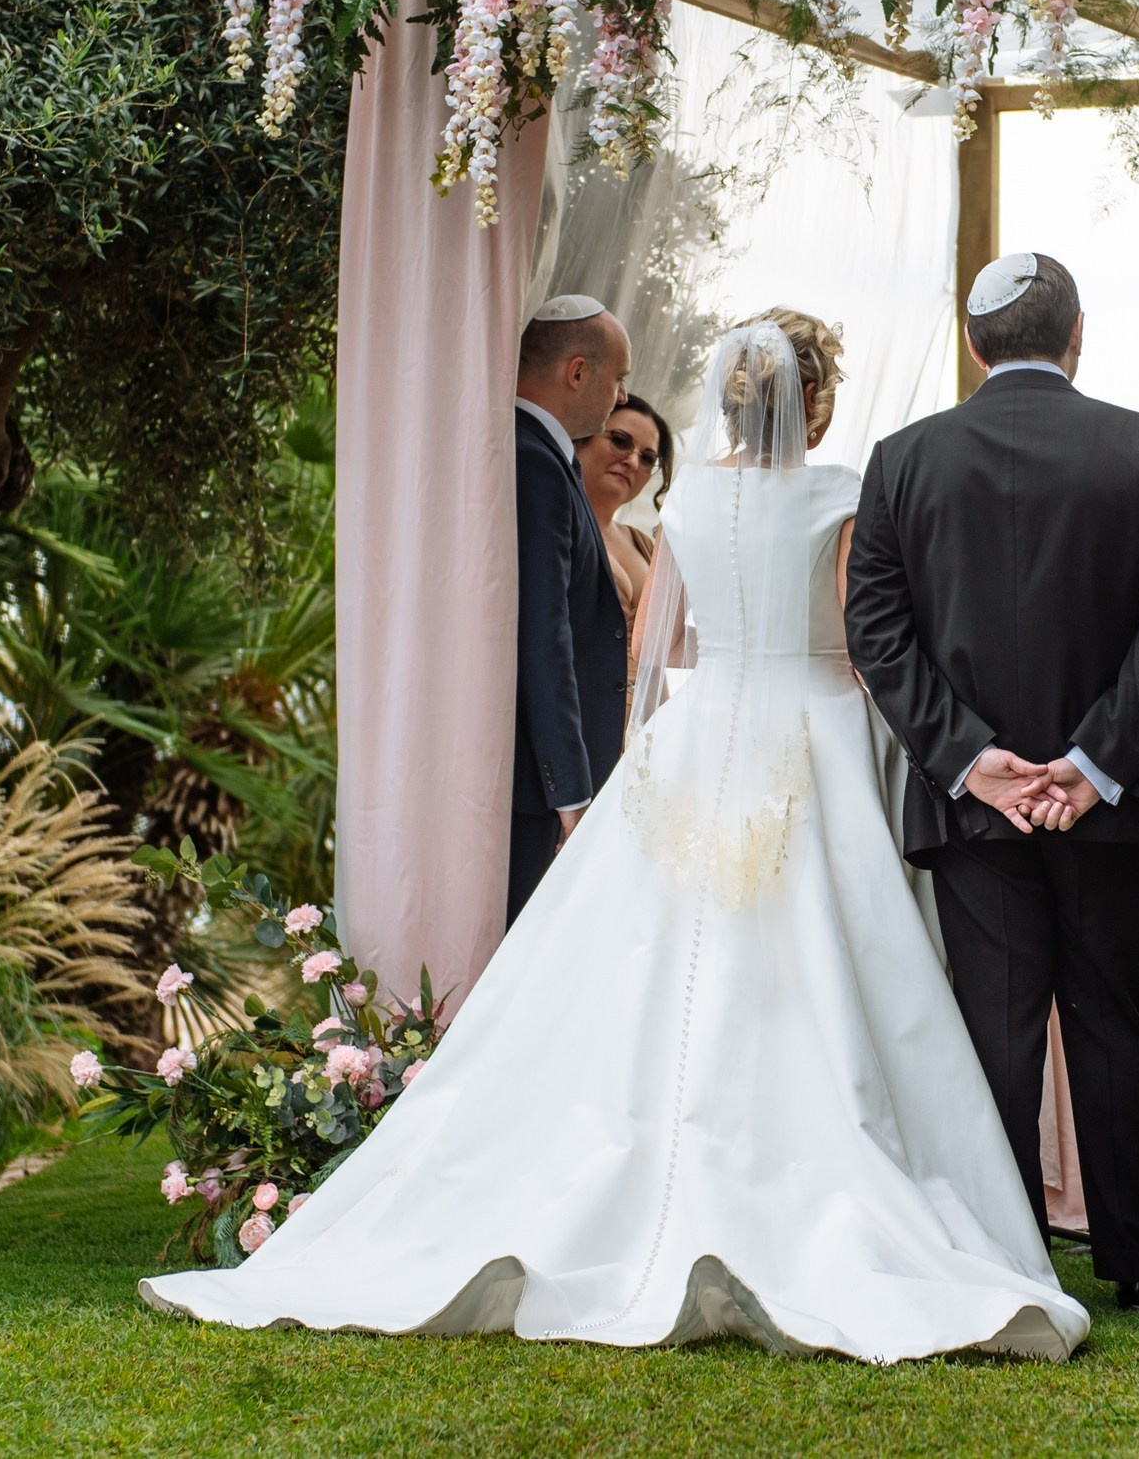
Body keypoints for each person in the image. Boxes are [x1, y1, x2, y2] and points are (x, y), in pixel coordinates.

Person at [140, 316, 1090, 1364]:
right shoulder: (838, 493)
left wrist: (649, 743)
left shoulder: (686, 506)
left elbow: (657, 646)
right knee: (821, 960)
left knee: (655, 964)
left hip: (691, 737)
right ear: (811, 400)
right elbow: (863, 632)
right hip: (813, 729)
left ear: (730, 401)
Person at [845, 253, 1139, 1314]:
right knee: (1110, 1013)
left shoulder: (904, 457)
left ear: (974, 344)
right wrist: (1095, 763)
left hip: (975, 806)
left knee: (996, 1023)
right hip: (1113, 798)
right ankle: (1134, 1258)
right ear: (1077, 331)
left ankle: (1002, 1250)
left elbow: (875, 628)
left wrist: (971, 761)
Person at [509, 295, 634, 924]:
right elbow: (543, 630)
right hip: (536, 787)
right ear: (579, 372)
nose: (620, 396)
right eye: (619, 379)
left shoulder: (542, 454)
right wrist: (570, 791)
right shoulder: (532, 461)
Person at [574, 390, 673, 674]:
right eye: (620, 442)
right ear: (584, 437)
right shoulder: (558, 529)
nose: (632, 462)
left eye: (647, 458)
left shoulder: (642, 544)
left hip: (647, 714)